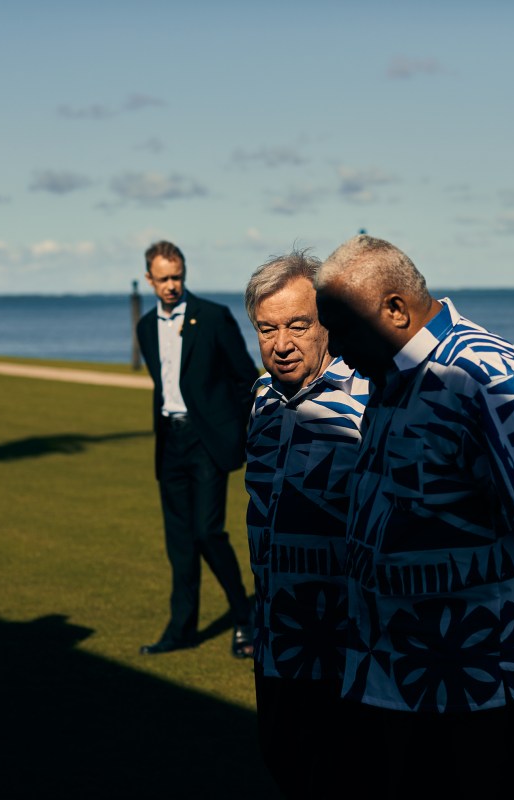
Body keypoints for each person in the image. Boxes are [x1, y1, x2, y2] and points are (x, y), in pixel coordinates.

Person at [314, 235, 514, 797]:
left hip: (470, 660)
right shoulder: (390, 373)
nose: (332, 348)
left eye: (342, 326)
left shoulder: (483, 374)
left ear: (394, 309)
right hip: (394, 656)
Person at [243, 250, 370, 799]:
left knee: (348, 777)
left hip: (347, 641)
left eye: (298, 324)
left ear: (327, 325)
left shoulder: (370, 396)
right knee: (284, 764)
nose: (282, 343)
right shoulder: (260, 400)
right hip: (276, 635)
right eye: (267, 329)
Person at [136, 240, 258, 657]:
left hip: (207, 442)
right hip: (169, 441)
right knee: (179, 543)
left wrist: (237, 434)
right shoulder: (144, 326)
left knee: (207, 533)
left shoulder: (213, 317)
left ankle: (245, 618)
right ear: (149, 279)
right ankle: (181, 628)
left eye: (177, 277)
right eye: (164, 278)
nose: (172, 285)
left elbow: (245, 378)